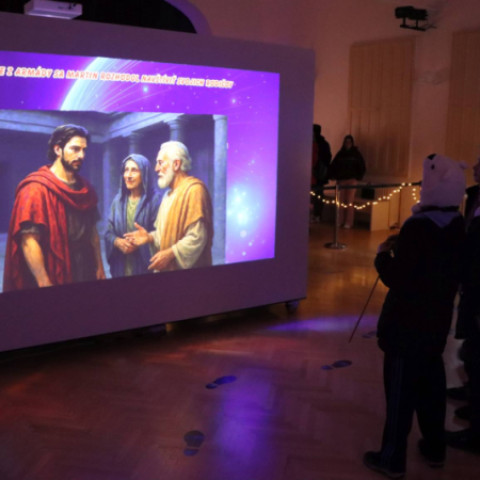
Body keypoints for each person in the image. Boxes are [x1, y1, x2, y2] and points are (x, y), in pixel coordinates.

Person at [363, 154, 466, 478]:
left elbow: (399, 277)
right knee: (432, 385)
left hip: (405, 326)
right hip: (436, 323)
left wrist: (382, 257)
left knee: (400, 393)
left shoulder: (418, 227)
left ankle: (392, 458)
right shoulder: (457, 223)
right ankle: (435, 447)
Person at [3, 124, 105, 290]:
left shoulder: (86, 189)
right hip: (53, 268)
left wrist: (99, 266)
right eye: (75, 149)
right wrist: (44, 281)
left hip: (85, 268)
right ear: (58, 149)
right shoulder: (35, 189)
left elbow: (92, 231)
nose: (81, 155)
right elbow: (29, 241)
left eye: (84, 150)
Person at [124, 140, 213, 272]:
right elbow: (164, 236)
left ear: (176, 164)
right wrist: (149, 237)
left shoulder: (195, 191)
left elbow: (197, 238)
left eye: (160, 163)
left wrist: (170, 254)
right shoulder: (167, 196)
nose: (156, 169)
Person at [104, 154, 161, 278]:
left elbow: (163, 234)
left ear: (144, 174)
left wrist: (142, 242)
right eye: (126, 170)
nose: (128, 175)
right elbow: (108, 232)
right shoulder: (118, 201)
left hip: (144, 267)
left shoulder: (155, 201)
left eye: (134, 170)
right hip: (121, 266)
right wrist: (117, 242)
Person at [328, 134, 365, 228]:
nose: (347, 144)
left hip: (352, 180)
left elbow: (361, 166)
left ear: (352, 143)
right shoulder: (340, 154)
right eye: (346, 142)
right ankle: (339, 220)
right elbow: (334, 165)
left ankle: (348, 222)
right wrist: (333, 176)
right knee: (340, 202)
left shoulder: (356, 154)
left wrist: (358, 177)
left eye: (349, 142)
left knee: (349, 201)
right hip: (341, 180)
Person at [310, 124, 331, 222]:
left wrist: (318, 167)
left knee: (317, 196)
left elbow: (326, 159)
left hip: (318, 174)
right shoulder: (323, 144)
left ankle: (316, 214)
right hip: (316, 174)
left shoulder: (320, 144)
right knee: (315, 195)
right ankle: (314, 214)